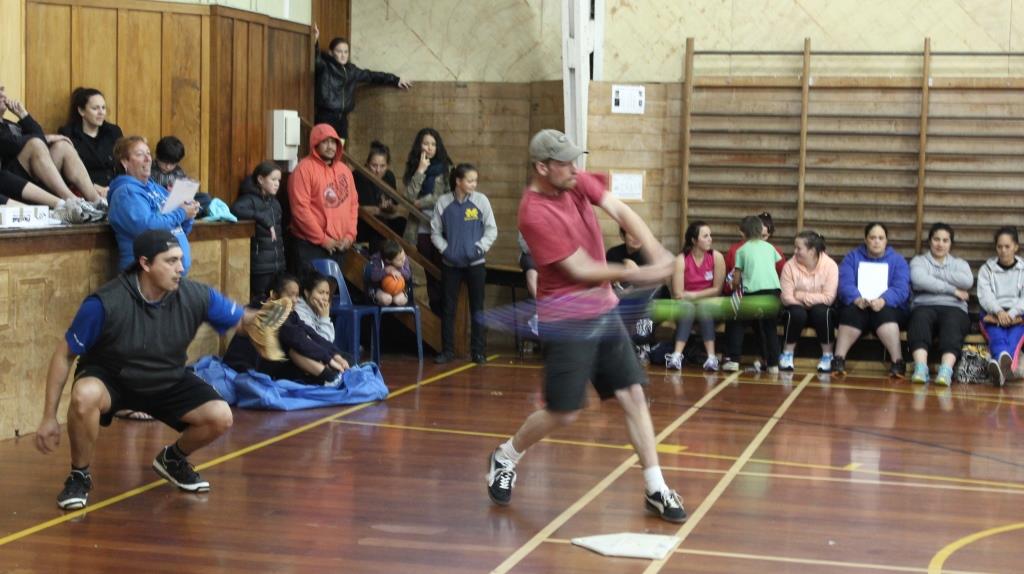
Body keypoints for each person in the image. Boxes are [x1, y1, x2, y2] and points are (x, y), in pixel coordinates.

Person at [486, 129, 686, 523]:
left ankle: (655, 487)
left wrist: (656, 251)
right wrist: (644, 274)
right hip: (567, 319)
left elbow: (622, 212)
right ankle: (505, 456)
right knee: (564, 412)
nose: (575, 168)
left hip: (604, 311)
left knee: (633, 394)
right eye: (564, 163)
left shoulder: (576, 180)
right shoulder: (533, 212)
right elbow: (580, 268)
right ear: (542, 167)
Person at [35, 229, 289, 510]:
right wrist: (48, 417)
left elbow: (240, 321)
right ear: (145, 264)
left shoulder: (196, 295)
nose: (180, 268)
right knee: (84, 395)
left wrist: (257, 321)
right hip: (114, 380)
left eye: (181, 259)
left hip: (166, 379)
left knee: (220, 417)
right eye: (170, 261)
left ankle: (173, 459)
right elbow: (64, 355)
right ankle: (79, 475)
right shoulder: (105, 303)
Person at [223, 272, 350, 388]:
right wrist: (329, 359)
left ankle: (330, 376)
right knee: (295, 349)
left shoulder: (288, 312)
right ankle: (330, 378)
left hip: (267, 363)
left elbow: (310, 333)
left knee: (318, 353)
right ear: (274, 295)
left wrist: (335, 354)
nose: (295, 300)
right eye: (290, 295)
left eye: (296, 296)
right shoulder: (270, 311)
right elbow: (298, 340)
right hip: (245, 369)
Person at [0, 84, 106, 220]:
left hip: (34, 179)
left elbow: (38, 136)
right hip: (9, 183)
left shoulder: (11, 124)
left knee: (62, 146)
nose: (3, 94)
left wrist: (23, 115)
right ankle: (72, 201)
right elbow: (10, 144)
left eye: (2, 90)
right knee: (35, 143)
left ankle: (96, 202)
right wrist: (44, 138)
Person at [431, 163, 497, 364]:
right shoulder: (442, 202)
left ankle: (478, 351)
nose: (474, 184)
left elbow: (491, 229)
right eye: (470, 180)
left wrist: (479, 248)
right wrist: (446, 250)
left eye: (475, 180)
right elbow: (435, 232)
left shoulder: (481, 201)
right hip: (450, 265)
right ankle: (447, 351)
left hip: (476, 264)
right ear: (458, 181)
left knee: (478, 308)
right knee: (448, 308)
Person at [108, 136, 199, 273]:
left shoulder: (156, 188)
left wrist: (189, 212)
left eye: (148, 154)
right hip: (144, 279)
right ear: (125, 162)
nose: (148, 159)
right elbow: (148, 227)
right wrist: (182, 213)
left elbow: (179, 228)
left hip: (170, 280)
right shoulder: (125, 193)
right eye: (140, 154)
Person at [833, 222, 911, 377]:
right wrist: (856, 299)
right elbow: (845, 284)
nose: (876, 241)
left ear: (886, 241)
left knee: (885, 313)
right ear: (866, 239)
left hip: (887, 307)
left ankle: (897, 362)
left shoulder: (898, 260)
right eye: (872, 237)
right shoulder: (852, 257)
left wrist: (883, 300)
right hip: (859, 305)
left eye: (881, 238)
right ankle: (838, 359)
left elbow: (901, 288)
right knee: (851, 313)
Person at [312, 24, 412, 141]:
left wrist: (396, 80)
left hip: (342, 118)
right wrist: (315, 40)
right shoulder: (325, 66)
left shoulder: (352, 70)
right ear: (331, 52)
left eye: (346, 52)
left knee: (340, 152)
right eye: (339, 51)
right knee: (324, 151)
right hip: (326, 116)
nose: (343, 55)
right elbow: (315, 59)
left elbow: (372, 75)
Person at [287, 123, 358, 274]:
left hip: (340, 246)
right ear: (315, 144)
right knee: (311, 294)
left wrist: (350, 235)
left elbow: (353, 205)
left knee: (331, 292)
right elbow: (300, 210)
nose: (330, 146)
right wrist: (322, 239)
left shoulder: (345, 170)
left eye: (333, 142)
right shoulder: (303, 170)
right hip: (311, 246)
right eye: (325, 142)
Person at [907, 223, 973, 385]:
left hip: (954, 308)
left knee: (952, 322)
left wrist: (934, 274)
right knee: (919, 318)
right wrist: (953, 290)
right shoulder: (919, 261)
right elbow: (918, 278)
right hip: (924, 306)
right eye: (936, 239)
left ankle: (946, 371)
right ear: (930, 241)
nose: (940, 244)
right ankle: (921, 368)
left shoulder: (960, 264)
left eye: (945, 240)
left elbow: (967, 281)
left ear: (951, 243)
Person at [720, 211, 785, 371]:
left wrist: (735, 287)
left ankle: (733, 359)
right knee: (770, 328)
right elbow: (776, 262)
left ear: (743, 232)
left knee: (737, 322)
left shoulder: (741, 251)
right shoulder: (770, 248)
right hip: (774, 292)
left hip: (752, 293)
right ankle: (773, 364)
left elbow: (736, 277)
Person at [403, 127, 452, 314]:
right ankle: (434, 311)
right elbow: (407, 197)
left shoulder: (446, 168)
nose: (429, 147)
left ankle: (443, 312)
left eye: (433, 144)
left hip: (442, 228)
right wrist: (420, 171)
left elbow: (444, 196)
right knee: (428, 272)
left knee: (442, 271)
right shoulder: (415, 167)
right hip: (420, 229)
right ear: (419, 146)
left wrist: (420, 203)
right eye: (426, 143)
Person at [665, 220, 725, 371]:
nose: (710, 239)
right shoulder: (681, 260)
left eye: (710, 235)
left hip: (710, 305)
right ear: (694, 240)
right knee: (687, 308)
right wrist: (690, 299)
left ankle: (711, 359)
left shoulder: (716, 257)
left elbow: (717, 289)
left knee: (704, 307)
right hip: (687, 304)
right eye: (705, 236)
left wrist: (693, 295)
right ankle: (676, 356)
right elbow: (678, 293)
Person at [779, 230, 838, 372]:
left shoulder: (830, 266)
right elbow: (786, 297)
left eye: (799, 248)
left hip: (819, 309)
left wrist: (800, 296)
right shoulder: (789, 266)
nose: (795, 251)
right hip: (797, 308)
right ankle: (787, 354)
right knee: (796, 313)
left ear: (812, 251)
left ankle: (827, 355)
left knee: (821, 312)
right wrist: (805, 302)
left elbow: (829, 298)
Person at [231, 161, 286, 300]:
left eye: (278, 180)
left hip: (277, 264)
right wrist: (262, 218)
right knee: (261, 304)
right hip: (260, 266)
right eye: (273, 179)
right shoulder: (249, 199)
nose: (277, 184)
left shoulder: (275, 202)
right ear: (260, 179)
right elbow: (235, 209)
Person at [977, 226, 1024, 386]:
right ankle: (1002, 369)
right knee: (997, 336)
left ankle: (999, 369)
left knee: (1014, 337)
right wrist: (998, 311)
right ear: (996, 247)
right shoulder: (986, 269)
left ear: (1016, 247)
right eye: (999, 247)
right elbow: (985, 295)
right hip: (992, 313)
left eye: (1007, 246)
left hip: (1018, 315)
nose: (1003, 251)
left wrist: (1011, 314)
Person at [58, 87, 123, 189]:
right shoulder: (69, 134)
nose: (101, 112)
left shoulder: (113, 132)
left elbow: (123, 163)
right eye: (95, 108)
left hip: (113, 187)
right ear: (81, 111)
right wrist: (93, 187)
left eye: (103, 108)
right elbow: (68, 171)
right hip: (84, 190)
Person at [353, 140, 406, 247]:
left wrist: (390, 207)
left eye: (382, 166)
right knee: (379, 224)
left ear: (387, 165)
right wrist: (378, 209)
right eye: (374, 165)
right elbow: (354, 207)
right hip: (364, 222)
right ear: (367, 164)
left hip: (384, 220)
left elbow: (395, 207)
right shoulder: (358, 175)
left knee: (402, 222)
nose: (378, 170)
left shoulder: (389, 176)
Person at [150, 136, 212, 217]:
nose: (168, 167)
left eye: (172, 163)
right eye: (164, 162)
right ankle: (183, 214)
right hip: (159, 201)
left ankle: (187, 213)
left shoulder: (178, 171)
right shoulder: (150, 168)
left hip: (177, 203)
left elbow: (185, 193)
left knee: (205, 198)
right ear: (157, 156)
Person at [293, 271, 336, 342]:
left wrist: (324, 317)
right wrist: (324, 318)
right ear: (307, 293)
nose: (325, 298)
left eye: (327, 293)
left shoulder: (317, 309)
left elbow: (330, 340)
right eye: (321, 292)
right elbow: (322, 344)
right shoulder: (299, 313)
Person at [368, 239, 412, 307]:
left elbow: (408, 275)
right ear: (388, 261)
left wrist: (397, 269)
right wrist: (386, 271)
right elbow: (374, 276)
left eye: (403, 256)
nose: (403, 259)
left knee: (399, 300)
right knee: (386, 299)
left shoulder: (404, 258)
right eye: (399, 259)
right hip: (379, 288)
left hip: (399, 289)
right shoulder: (377, 259)